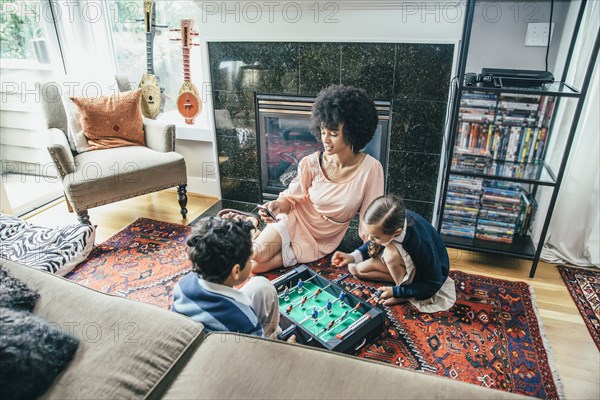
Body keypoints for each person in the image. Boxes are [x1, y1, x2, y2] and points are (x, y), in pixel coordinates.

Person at [224, 85, 384, 273]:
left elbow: (369, 220)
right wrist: (276, 206)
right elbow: (290, 199)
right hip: (296, 219)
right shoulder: (311, 163)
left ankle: (252, 229)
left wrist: (371, 251)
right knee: (255, 255)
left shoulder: (371, 169)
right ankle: (249, 228)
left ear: (353, 132)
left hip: (325, 238)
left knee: (255, 268)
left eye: (333, 134)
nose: (325, 139)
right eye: (323, 131)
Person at [332, 195, 456, 313]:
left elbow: (433, 283)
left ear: (397, 232)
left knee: (390, 253)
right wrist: (352, 256)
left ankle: (405, 292)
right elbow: (372, 242)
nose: (369, 238)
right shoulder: (392, 219)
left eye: (375, 236)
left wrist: (397, 292)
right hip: (405, 260)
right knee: (354, 268)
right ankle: (406, 283)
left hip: (428, 275)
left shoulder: (422, 243)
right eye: (368, 233)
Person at [171, 216, 281, 338]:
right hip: (231, 349)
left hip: (203, 336)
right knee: (262, 285)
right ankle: (276, 337)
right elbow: (256, 352)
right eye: (249, 259)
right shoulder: (245, 321)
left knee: (261, 287)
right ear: (236, 271)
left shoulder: (183, 284)